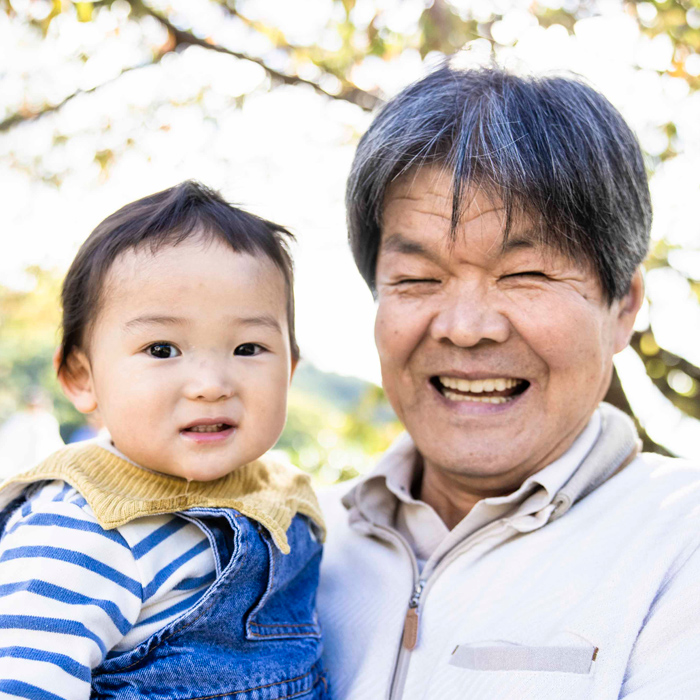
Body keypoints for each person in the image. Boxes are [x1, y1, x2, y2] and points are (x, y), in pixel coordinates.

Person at [317, 64, 700, 699]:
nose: (466, 327)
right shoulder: (287, 546)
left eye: (525, 274)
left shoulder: (681, 538)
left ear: (622, 307)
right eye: (417, 280)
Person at [0, 182, 329, 699]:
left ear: (288, 370)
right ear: (82, 376)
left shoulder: (283, 502)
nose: (210, 384)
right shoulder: (83, 529)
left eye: (248, 347)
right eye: (162, 348)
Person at [0, 386, 63, 479]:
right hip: (17, 474)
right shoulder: (17, 421)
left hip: (42, 473)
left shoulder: (48, 422)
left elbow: (55, 449)